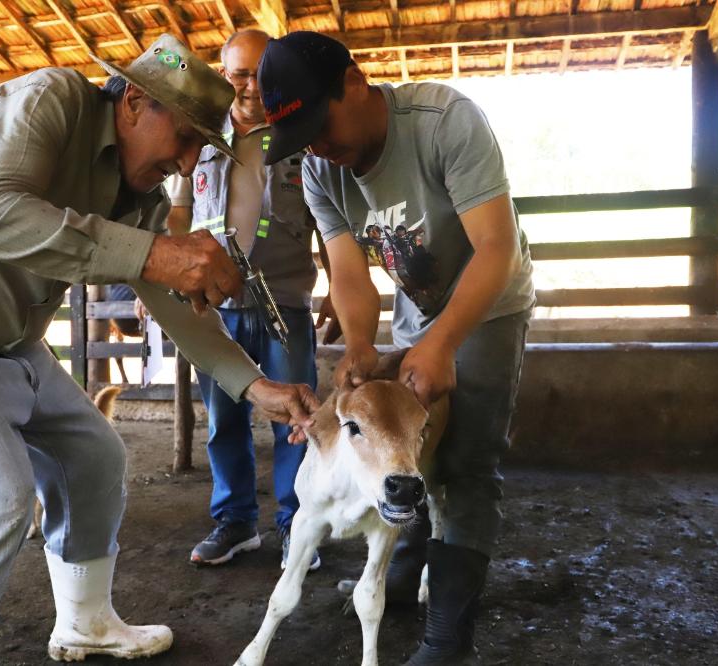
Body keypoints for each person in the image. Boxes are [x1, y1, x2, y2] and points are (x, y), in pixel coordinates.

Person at [0, 34, 317, 665]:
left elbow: (171, 303)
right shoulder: (48, 100)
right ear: (136, 101)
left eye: (204, 145)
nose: (188, 161)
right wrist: (155, 252)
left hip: (4, 335)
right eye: (187, 137)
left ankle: (86, 624)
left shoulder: (138, 198)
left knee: (94, 456)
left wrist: (256, 387)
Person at [258, 32, 535, 665]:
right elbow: (349, 274)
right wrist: (359, 342)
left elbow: (497, 248)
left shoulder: (444, 123)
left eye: (321, 126)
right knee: (406, 443)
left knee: (464, 460)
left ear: (353, 84)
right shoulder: (322, 170)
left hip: (489, 301)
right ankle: (399, 577)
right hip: (418, 306)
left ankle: (447, 641)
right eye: (303, 141)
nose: (319, 149)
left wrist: (441, 344)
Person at [166, 29, 330, 570]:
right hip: (217, 307)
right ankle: (235, 521)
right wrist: (169, 276)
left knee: (296, 417)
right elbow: (178, 214)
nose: (250, 85)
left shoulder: (298, 139)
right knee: (224, 419)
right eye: (238, 73)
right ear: (222, 73)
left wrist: (336, 288)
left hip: (286, 302)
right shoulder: (201, 137)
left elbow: (329, 223)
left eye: (260, 73)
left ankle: (295, 525)